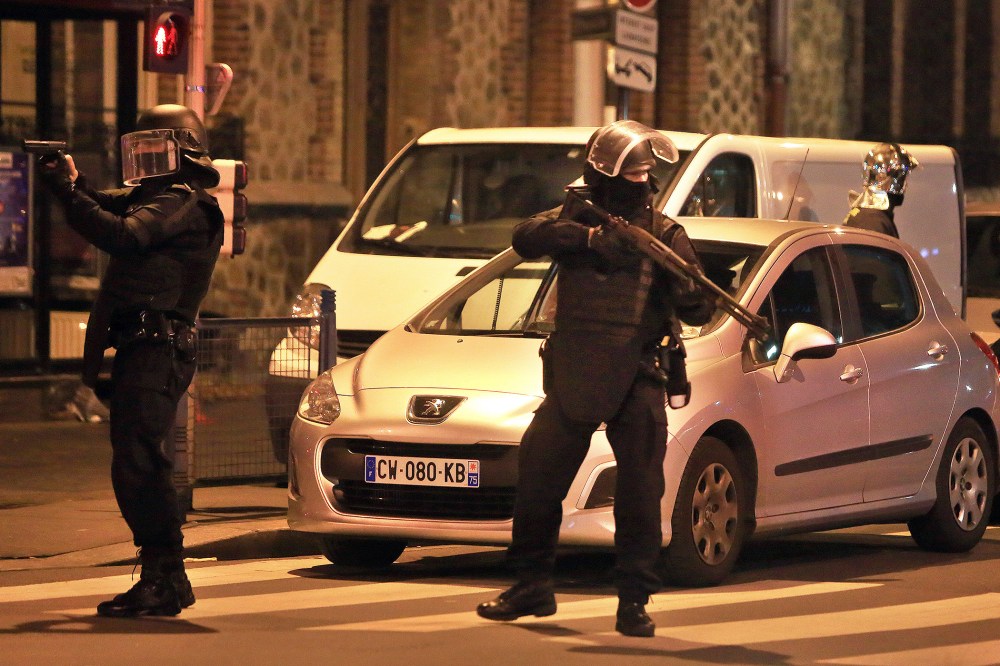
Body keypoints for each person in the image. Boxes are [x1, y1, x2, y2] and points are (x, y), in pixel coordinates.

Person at [475, 120, 713, 637]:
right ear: (604, 174)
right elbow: (525, 236)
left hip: (640, 372)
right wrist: (588, 238)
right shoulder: (574, 220)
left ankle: (634, 600)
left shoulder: (666, 235)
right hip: (575, 372)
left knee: (639, 491)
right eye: (632, 171)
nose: (642, 179)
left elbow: (698, 308)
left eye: (646, 172)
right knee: (537, 480)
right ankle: (532, 585)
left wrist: (687, 286)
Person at [36, 104, 224, 617]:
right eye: (136, 150)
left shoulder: (185, 203)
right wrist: (69, 182)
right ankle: (166, 575)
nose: (143, 161)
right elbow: (108, 205)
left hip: (160, 348)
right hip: (143, 348)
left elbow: (122, 233)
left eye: (153, 150)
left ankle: (166, 575)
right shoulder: (157, 200)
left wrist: (71, 195)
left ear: (181, 151)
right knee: (133, 459)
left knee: (140, 460)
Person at [843, 142, 920, 238]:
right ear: (888, 178)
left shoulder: (867, 214)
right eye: (902, 178)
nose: (906, 186)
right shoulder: (872, 221)